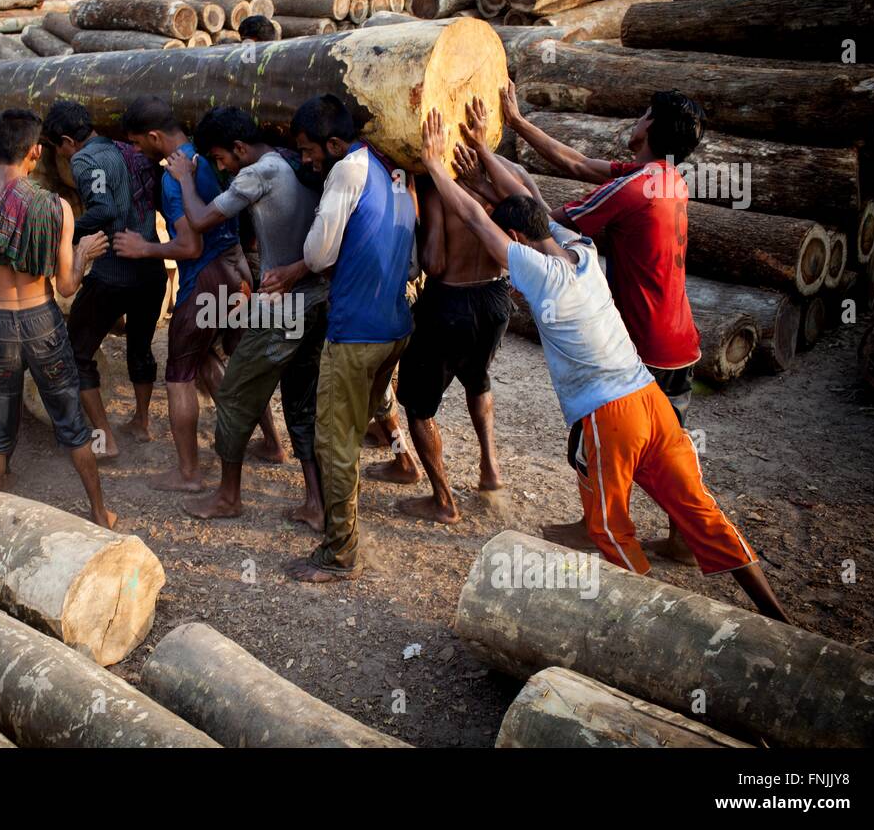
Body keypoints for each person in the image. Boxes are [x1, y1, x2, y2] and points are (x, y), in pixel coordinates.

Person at [420, 99, 789, 623]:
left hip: (609, 415)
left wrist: (436, 165)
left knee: (612, 534)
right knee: (702, 512)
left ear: (518, 240)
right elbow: (527, 201)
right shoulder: (582, 254)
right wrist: (482, 146)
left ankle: (646, 627)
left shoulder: (535, 272)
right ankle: (776, 615)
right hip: (648, 399)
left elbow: (480, 222)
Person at [501, 81, 706, 562]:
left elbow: (552, 222)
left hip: (640, 345)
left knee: (594, 436)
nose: (635, 118)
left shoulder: (634, 188)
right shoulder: (666, 178)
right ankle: (682, 539)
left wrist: (505, 210)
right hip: (680, 340)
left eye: (644, 111)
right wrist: (519, 123)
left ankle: (596, 527)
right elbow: (577, 164)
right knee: (670, 445)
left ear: (652, 126)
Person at [0, 108, 115, 528]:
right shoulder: (55, 208)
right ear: (36, 151)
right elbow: (68, 286)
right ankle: (98, 512)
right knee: (71, 423)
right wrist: (86, 255)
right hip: (43, 321)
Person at [168, 106, 330, 527]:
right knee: (300, 400)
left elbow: (200, 220)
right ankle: (315, 502)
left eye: (221, 158)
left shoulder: (259, 172)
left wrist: (185, 177)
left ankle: (227, 497)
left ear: (239, 148)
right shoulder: (294, 158)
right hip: (317, 297)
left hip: (282, 304)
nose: (221, 166)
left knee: (236, 395)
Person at [113, 96, 281, 490]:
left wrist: (145, 248)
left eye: (138, 143)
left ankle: (188, 473)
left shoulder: (176, 175)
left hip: (205, 277)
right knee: (229, 360)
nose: (137, 151)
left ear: (155, 136)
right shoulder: (208, 156)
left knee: (179, 374)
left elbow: (189, 247)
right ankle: (272, 443)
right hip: (238, 268)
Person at [284, 95, 418, 583]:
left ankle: (339, 553)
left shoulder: (347, 171)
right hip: (395, 326)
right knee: (374, 410)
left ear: (335, 143)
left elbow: (317, 254)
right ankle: (402, 461)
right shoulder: (395, 167)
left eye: (308, 150)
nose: (305, 159)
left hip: (356, 331)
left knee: (335, 443)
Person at [386, 156, 512, 524]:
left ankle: (443, 500)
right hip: (495, 299)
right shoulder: (499, 177)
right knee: (478, 377)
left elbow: (434, 262)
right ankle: (490, 468)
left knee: (419, 407)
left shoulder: (438, 185)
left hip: (451, 302)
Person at [43, 99, 168, 458]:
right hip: (150, 269)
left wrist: (65, 231)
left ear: (68, 141)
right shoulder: (133, 150)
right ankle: (142, 423)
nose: (64, 157)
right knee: (141, 347)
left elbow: (104, 209)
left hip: (113, 273)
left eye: (59, 149)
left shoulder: (85, 159)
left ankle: (104, 438)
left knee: (76, 353)